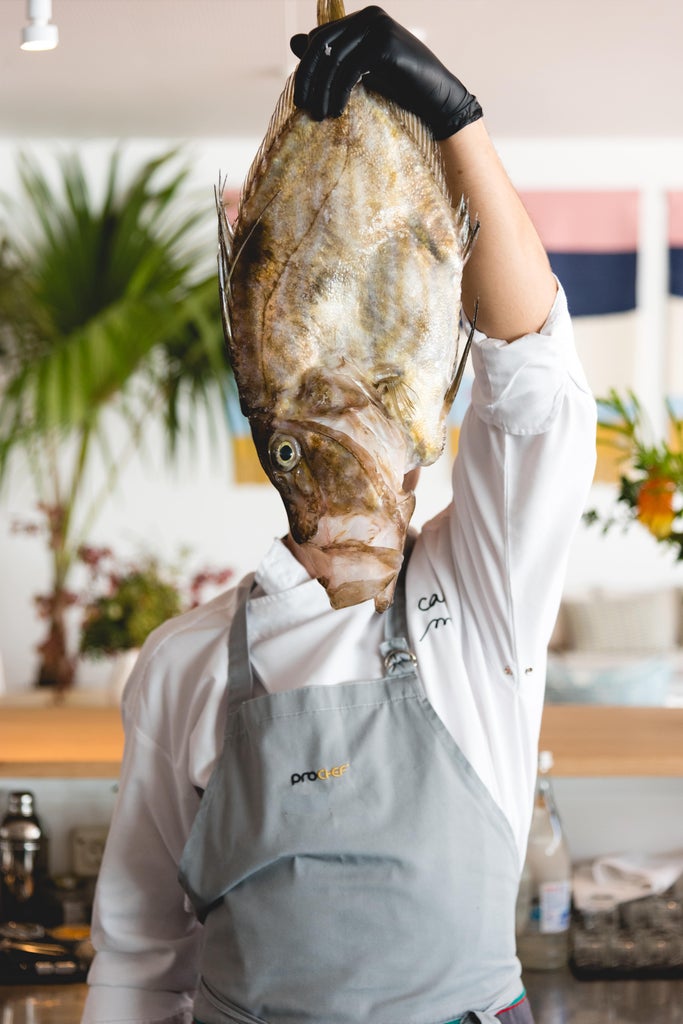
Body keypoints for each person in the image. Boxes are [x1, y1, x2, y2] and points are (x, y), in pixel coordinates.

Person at [82, 8, 597, 1024]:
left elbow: (536, 392)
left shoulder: (476, 600)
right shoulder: (184, 664)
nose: (337, 421)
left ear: (420, 429)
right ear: (263, 417)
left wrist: (457, 124)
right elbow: (140, 959)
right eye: (295, 432)